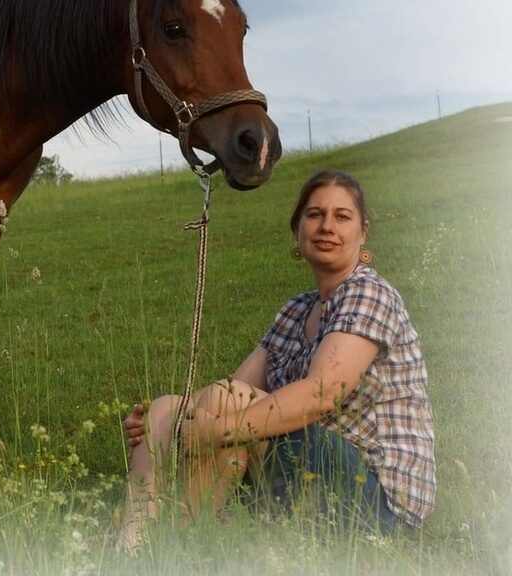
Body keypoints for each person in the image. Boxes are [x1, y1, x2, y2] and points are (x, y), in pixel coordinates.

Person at [116, 170, 436, 550]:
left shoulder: (370, 293)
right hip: (307, 469)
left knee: (220, 410)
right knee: (166, 408)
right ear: (297, 230)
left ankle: (181, 545)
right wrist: (167, 423)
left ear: (362, 232)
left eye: (342, 216)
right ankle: (133, 542)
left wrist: (208, 432)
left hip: (374, 499)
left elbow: (323, 394)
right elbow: (230, 389)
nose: (327, 226)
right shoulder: (296, 310)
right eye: (314, 215)